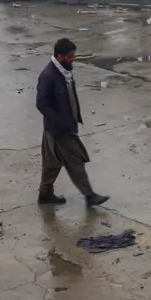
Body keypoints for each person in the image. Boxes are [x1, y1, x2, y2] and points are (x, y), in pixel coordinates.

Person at [35, 38, 109, 206]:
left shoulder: (64, 70)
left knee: (51, 162)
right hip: (59, 129)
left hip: (60, 127)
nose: (72, 59)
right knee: (75, 160)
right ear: (59, 56)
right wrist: (59, 122)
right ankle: (89, 195)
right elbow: (41, 103)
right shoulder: (49, 76)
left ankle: (45, 193)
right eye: (70, 56)